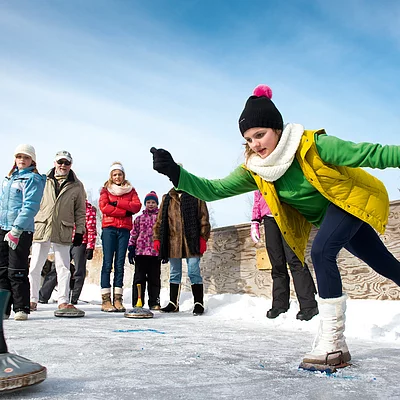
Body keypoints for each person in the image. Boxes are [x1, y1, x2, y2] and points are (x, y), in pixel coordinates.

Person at [151, 83, 400, 367]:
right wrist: (175, 172)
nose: (255, 144)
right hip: (330, 218)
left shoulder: (312, 146)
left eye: (260, 134)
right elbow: (214, 190)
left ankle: (333, 343)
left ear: (277, 129)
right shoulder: (258, 170)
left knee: (320, 252)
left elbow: (372, 153)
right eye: (248, 139)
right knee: (385, 264)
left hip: (350, 202)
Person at [28, 150, 86, 317]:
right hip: (42, 226)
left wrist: (79, 231)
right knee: (35, 266)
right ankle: (32, 299)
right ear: (54, 163)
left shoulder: (77, 185)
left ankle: (63, 300)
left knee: (64, 267)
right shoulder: (42, 180)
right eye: (60, 162)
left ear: (70, 165)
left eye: (66, 163)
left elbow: (80, 211)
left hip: (63, 228)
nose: (63, 165)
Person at [251, 190, 318, 320]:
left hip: (288, 212)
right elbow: (258, 194)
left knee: (294, 259)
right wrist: (255, 220)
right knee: (276, 262)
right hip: (269, 217)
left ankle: (309, 305)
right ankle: (280, 304)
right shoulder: (258, 171)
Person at [0, 145, 45, 321]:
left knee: (16, 269)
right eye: (19, 157)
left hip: (20, 229)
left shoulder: (32, 179)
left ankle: (21, 307)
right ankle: (3, 307)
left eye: (26, 157)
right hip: (3, 227)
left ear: (32, 160)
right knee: (2, 270)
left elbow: (30, 206)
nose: (22, 160)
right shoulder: (10, 178)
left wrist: (17, 229)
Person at [153, 187, 211, 315]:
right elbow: (160, 220)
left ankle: (198, 303)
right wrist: (157, 238)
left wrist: (203, 238)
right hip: (173, 241)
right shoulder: (167, 197)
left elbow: (204, 218)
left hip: (192, 241)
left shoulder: (196, 194)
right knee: (174, 272)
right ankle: (173, 303)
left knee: (193, 270)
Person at [99, 162, 141, 312]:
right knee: (107, 263)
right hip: (109, 229)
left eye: (120, 174)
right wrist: (124, 211)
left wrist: (117, 202)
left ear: (124, 175)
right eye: (115, 174)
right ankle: (106, 299)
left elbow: (136, 206)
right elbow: (104, 207)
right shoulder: (105, 190)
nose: (117, 177)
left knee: (119, 264)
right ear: (111, 176)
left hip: (124, 230)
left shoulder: (131, 190)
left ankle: (118, 298)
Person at [38, 199, 97, 304]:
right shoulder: (66, 207)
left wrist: (90, 246)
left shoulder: (88, 209)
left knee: (79, 271)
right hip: (65, 240)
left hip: (80, 242)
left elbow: (91, 229)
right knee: (57, 268)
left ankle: (73, 298)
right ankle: (43, 296)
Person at [128, 191, 161, 310]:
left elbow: (164, 235)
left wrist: (165, 251)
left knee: (154, 279)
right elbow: (134, 234)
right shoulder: (139, 218)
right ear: (145, 204)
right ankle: (138, 301)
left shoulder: (160, 219)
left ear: (157, 204)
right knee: (139, 278)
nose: (151, 204)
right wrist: (131, 247)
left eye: (153, 202)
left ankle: (154, 301)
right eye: (148, 202)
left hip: (154, 253)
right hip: (141, 252)